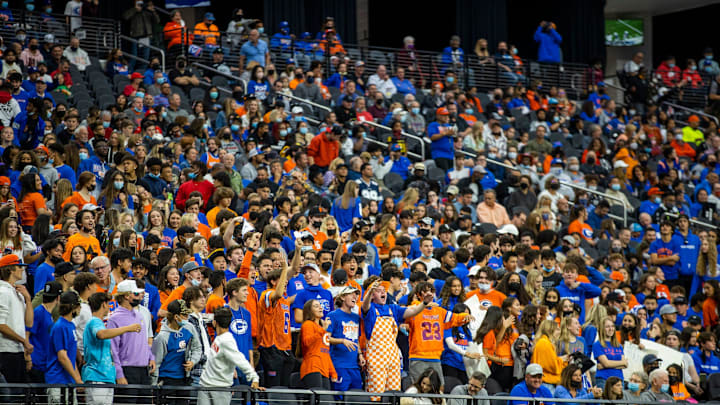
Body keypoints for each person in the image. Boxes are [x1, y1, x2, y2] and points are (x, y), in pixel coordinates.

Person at [362, 278, 435, 399]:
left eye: (383, 291)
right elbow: (365, 305)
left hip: (393, 355)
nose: (383, 293)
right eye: (378, 291)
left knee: (394, 392)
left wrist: (424, 303)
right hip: (376, 357)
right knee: (376, 394)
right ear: (372, 294)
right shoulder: (370, 309)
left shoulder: (393, 308)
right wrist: (369, 291)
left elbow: (412, 311)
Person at [83, 292, 142, 405]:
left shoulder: (98, 322)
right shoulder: (94, 321)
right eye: (109, 304)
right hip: (97, 376)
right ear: (104, 304)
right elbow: (101, 334)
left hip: (105, 377)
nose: (109, 308)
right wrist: (127, 328)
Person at [197, 307, 262, 405]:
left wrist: (254, 377)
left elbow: (240, 360)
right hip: (206, 385)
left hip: (220, 389)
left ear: (214, 323)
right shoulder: (219, 338)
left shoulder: (227, 341)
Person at [107, 279, 155, 403]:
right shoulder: (114, 319)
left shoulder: (139, 315)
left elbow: (143, 341)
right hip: (127, 370)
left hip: (144, 370)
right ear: (127, 296)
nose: (140, 296)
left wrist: (151, 357)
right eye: (136, 294)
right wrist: (119, 374)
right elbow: (113, 350)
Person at [0, 254, 33, 388]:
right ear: (10, 269)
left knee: (20, 395)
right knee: (11, 396)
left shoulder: (17, 292)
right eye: (19, 267)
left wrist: (28, 300)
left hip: (16, 350)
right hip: (5, 351)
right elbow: (1, 325)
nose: (22, 270)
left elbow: (29, 323)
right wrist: (23, 341)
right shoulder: (3, 292)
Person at [45, 291, 82, 404]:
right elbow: (62, 357)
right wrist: (77, 379)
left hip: (68, 380)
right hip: (58, 381)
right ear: (74, 307)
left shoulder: (70, 325)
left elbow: (70, 358)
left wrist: (77, 379)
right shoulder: (60, 326)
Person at [299, 299, 337, 389]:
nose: (320, 307)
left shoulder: (321, 328)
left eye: (320, 305)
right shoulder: (308, 324)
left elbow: (325, 353)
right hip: (312, 368)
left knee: (325, 400)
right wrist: (323, 329)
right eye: (316, 306)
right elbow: (307, 342)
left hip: (324, 369)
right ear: (309, 311)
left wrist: (333, 372)